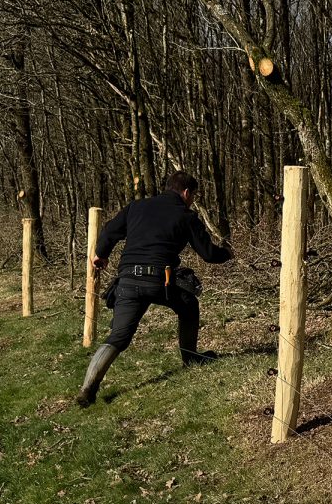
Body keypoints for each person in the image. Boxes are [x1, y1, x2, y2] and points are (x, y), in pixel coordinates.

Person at [76, 171, 233, 407]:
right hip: (161, 282)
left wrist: (101, 254)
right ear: (187, 193)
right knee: (189, 305)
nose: (192, 201)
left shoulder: (136, 207)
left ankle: (88, 387)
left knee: (119, 336)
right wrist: (228, 253)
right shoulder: (186, 215)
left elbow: (109, 230)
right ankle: (190, 358)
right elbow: (208, 254)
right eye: (193, 196)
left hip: (127, 281)